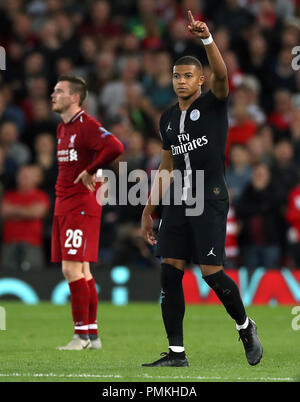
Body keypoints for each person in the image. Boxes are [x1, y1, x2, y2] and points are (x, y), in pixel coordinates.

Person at [141, 11, 263, 367]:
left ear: (200, 81)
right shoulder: (166, 118)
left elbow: (223, 74)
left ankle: (244, 325)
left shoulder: (213, 103)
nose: (181, 81)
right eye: (176, 76)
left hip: (208, 196)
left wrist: (207, 39)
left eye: (188, 76)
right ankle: (176, 353)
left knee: (211, 273)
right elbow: (165, 167)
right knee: (170, 270)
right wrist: (149, 210)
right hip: (178, 199)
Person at [51, 75, 123, 350]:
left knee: (70, 269)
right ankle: (92, 336)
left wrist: (91, 170)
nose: (53, 95)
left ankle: (80, 336)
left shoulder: (86, 125)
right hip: (66, 203)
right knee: (83, 269)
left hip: (80, 204)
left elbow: (116, 146)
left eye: (59, 91)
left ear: (75, 98)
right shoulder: (62, 129)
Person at [1, 165, 49, 271]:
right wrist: (27, 211)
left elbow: (37, 213)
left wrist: (13, 212)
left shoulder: (41, 196)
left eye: (26, 175)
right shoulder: (8, 195)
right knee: (7, 276)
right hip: (9, 244)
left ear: (35, 179)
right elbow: (3, 212)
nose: (22, 178)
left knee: (34, 277)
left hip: (32, 245)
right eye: (21, 175)